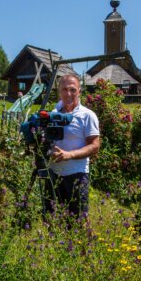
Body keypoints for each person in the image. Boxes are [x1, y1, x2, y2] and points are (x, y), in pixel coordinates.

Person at [44, 74, 100, 220]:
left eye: (73, 90)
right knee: (53, 221)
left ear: (79, 92)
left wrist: (70, 154)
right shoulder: (53, 115)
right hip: (54, 174)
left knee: (78, 221)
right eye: (64, 89)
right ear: (59, 92)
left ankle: (83, 243)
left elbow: (94, 146)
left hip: (77, 175)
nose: (68, 94)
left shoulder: (87, 115)